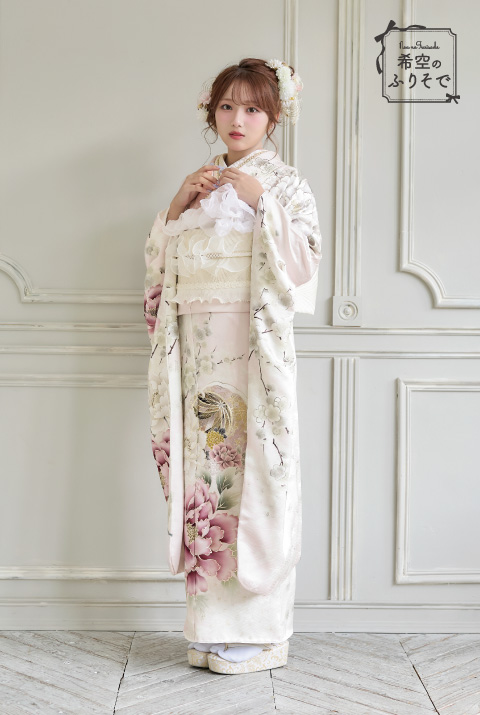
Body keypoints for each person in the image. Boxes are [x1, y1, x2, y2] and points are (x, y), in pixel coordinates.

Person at [143, 57, 322, 675]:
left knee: (255, 475)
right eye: (226, 107)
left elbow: (303, 270)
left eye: (251, 108)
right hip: (198, 355)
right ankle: (209, 630)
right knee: (206, 481)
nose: (237, 119)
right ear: (211, 113)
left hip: (251, 350)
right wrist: (176, 206)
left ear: (274, 117)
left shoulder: (286, 185)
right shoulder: (200, 182)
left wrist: (263, 202)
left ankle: (258, 632)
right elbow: (159, 272)